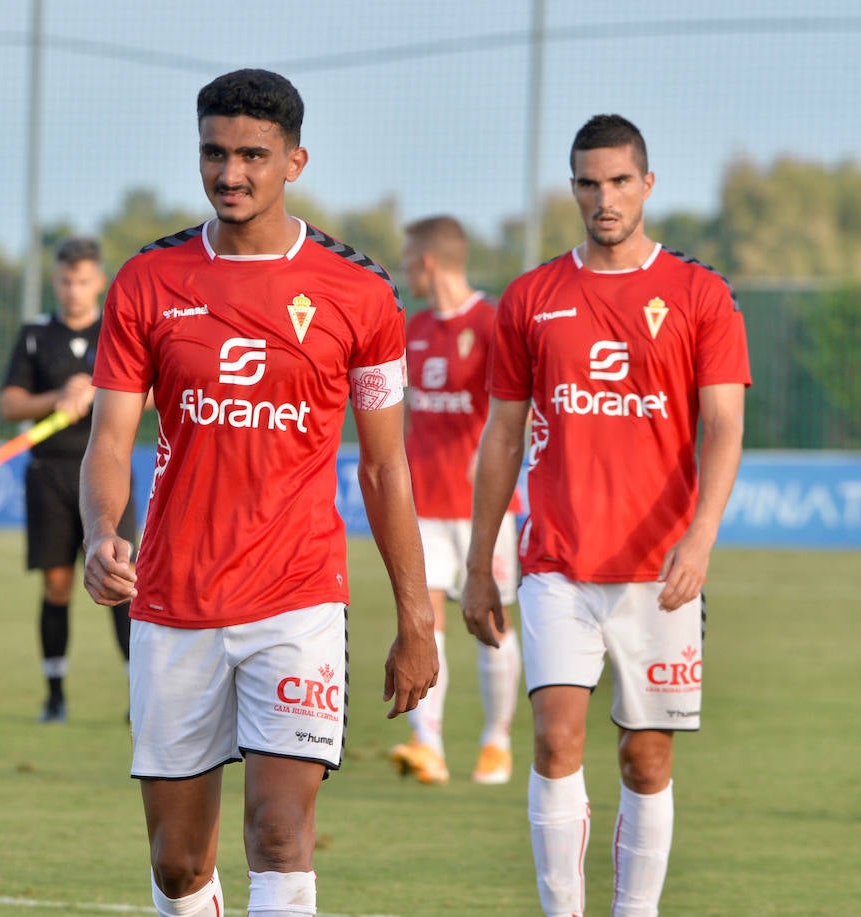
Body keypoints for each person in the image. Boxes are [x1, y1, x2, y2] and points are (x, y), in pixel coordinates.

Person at [81, 69, 438, 917]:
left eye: (252, 155)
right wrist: (102, 531)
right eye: (214, 152)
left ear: (295, 161)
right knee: (177, 862)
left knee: (279, 836)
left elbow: (386, 468)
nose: (229, 173)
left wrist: (416, 618)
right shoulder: (147, 282)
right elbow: (109, 438)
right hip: (172, 602)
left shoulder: (360, 291)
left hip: (296, 600)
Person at [461, 114, 750, 917]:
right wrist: (481, 559)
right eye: (588, 182)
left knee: (646, 760)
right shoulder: (531, 298)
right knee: (556, 737)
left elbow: (724, 424)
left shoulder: (700, 294)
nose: (604, 197)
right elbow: (502, 437)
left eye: (620, 180)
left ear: (647, 185)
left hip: (660, 570)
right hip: (555, 559)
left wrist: (700, 537)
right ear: (573, 188)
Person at [389, 215, 523, 786]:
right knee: (427, 618)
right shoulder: (413, 330)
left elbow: (518, 407)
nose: (402, 270)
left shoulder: (492, 324)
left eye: (406, 260)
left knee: (489, 619)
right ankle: (430, 746)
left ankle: (496, 742)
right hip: (422, 503)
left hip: (481, 510)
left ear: (427, 263)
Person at [0, 237, 135, 724]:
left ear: (98, 281)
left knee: (121, 579)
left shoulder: (119, 329)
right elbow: (11, 405)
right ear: (55, 281)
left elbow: (154, 395)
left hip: (107, 470)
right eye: (64, 281)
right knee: (57, 585)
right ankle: (55, 695)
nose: (73, 291)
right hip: (49, 473)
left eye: (82, 281)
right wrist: (59, 396)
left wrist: (101, 392)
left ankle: (138, 696)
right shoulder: (36, 335)